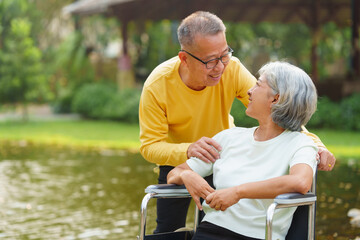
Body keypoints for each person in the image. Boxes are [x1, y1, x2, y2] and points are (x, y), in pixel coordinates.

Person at [139, 11, 335, 234]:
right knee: (167, 230)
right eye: (211, 60)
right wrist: (189, 152)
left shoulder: (231, 69)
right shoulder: (157, 85)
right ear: (185, 58)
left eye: (225, 55)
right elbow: (149, 146)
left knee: (219, 217)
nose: (221, 67)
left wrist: (315, 144)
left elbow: (279, 108)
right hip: (182, 157)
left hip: (224, 155)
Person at [167, 61, 319, 240]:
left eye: (257, 85)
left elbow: (300, 182)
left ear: (276, 99)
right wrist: (187, 176)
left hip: (257, 236)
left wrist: (238, 192)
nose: (249, 91)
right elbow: (174, 174)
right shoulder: (228, 137)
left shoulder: (300, 143)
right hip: (208, 232)